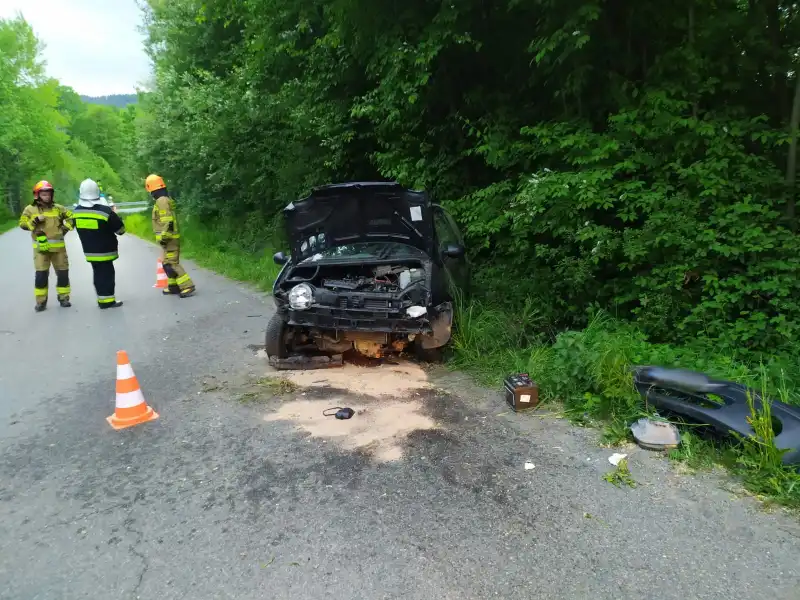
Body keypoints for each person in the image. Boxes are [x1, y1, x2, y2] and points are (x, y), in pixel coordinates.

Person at [19, 180, 74, 312]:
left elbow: (72, 218)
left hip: (59, 249)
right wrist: (35, 221)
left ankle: (64, 298)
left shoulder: (59, 208)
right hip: (41, 250)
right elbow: (22, 223)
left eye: (48, 194)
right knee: (41, 275)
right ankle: (41, 302)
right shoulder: (30, 209)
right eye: (44, 194)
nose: (47, 196)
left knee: (63, 274)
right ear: (37, 195)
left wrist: (64, 229)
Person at [71, 178, 125, 309]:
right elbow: (121, 230)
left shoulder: (76, 212)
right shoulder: (105, 212)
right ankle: (108, 301)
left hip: (90, 251)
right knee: (107, 275)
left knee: (98, 274)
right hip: (106, 250)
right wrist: (116, 216)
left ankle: (102, 299)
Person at [145, 174, 196, 297]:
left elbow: (168, 221)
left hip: (169, 239)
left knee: (172, 263)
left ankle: (187, 285)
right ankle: (173, 286)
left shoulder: (161, 201)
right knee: (167, 263)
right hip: (168, 238)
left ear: (151, 188)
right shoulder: (163, 199)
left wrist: (164, 237)